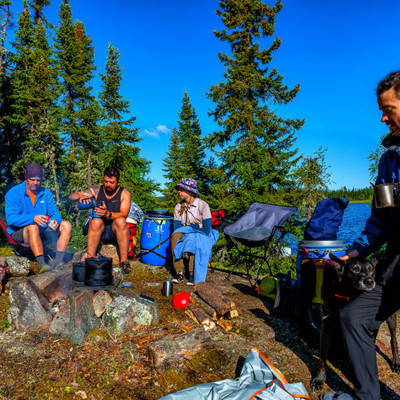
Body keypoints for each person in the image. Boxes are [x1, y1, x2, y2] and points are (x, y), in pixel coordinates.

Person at [321, 70, 400, 400]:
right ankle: (369, 396)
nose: (382, 117)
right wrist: (356, 251)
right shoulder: (389, 161)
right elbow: (379, 220)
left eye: (389, 109)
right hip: (396, 260)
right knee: (354, 317)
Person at [5, 163, 72, 273]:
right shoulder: (14, 193)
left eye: (38, 180)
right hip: (20, 232)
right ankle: (42, 264)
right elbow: (12, 219)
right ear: (26, 178)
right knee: (33, 227)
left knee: (66, 225)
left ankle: (58, 261)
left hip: (42, 230)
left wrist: (56, 220)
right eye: (32, 180)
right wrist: (33, 217)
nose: (36, 183)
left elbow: (54, 211)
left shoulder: (45, 193)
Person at [68, 166, 131, 274]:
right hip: (98, 229)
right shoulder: (97, 190)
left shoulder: (124, 193)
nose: (108, 185)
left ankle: (124, 262)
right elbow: (72, 197)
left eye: (111, 182)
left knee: (121, 221)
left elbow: (124, 214)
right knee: (96, 221)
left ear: (118, 182)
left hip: (114, 230)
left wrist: (108, 214)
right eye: (106, 181)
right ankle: (90, 258)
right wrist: (80, 196)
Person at [171, 178, 217, 285]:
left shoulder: (202, 205)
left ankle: (192, 272)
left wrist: (193, 228)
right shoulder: (178, 206)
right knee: (175, 236)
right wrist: (197, 225)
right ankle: (179, 271)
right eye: (179, 189)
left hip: (199, 234)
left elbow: (206, 229)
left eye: (182, 189)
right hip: (184, 230)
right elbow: (176, 227)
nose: (179, 192)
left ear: (191, 191)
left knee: (193, 238)